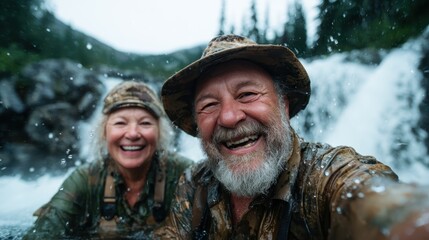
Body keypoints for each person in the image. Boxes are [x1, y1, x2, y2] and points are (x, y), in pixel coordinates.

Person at [154, 34, 429, 239]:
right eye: (209, 105)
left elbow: (377, 203)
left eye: (247, 94)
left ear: (284, 106)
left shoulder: (324, 178)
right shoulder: (195, 183)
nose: (229, 117)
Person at [23, 81, 193, 239]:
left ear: (159, 133)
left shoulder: (184, 174)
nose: (133, 133)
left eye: (145, 123)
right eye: (120, 123)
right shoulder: (84, 180)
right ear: (105, 132)